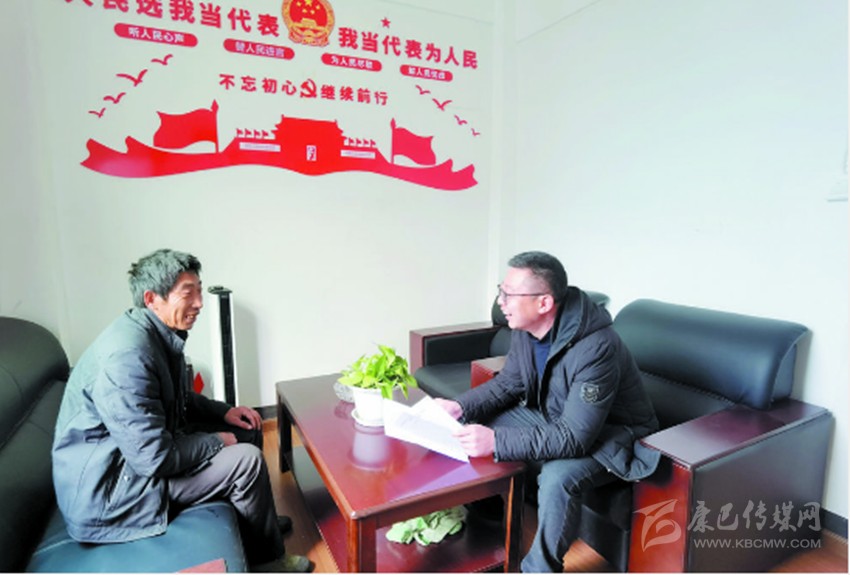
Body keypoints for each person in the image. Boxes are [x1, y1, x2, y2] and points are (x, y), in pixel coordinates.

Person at [52, 249, 311, 573]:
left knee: (246, 427)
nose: (199, 303)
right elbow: (153, 459)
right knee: (246, 461)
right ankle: (267, 562)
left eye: (199, 291)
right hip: (110, 493)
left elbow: (179, 399)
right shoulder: (127, 356)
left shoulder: (157, 333)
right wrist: (216, 441)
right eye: (188, 293)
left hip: (134, 461)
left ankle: (259, 525)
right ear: (152, 299)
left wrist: (224, 412)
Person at [435, 251, 660, 573]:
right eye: (501, 291)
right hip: (557, 417)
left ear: (543, 303)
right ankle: (487, 517)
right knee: (469, 422)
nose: (500, 302)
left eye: (509, 294)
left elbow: (575, 438)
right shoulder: (525, 329)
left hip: (613, 437)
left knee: (557, 477)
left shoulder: (597, 347)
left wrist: (496, 441)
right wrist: (459, 405)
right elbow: (509, 383)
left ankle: (539, 569)